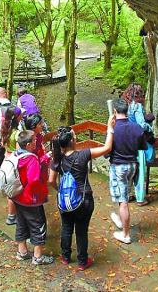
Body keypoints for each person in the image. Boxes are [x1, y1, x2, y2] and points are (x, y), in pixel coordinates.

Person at [49, 115, 115, 271]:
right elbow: (107, 148)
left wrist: (60, 190)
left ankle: (65, 257)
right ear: (72, 141)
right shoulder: (83, 155)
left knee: (66, 227)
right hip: (83, 199)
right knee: (81, 230)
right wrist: (110, 128)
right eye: (74, 135)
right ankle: (82, 261)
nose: (75, 136)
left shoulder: (56, 159)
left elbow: (51, 180)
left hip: (64, 200)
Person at [12, 130, 53, 265]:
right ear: (29, 144)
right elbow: (34, 179)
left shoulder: (16, 155)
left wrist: (44, 158)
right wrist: (40, 193)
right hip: (31, 199)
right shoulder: (31, 158)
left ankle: (22, 252)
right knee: (38, 225)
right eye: (35, 140)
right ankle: (38, 257)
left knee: (21, 223)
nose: (37, 142)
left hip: (18, 196)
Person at [108, 98, 145, 244]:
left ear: (115, 112)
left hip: (118, 166)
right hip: (132, 165)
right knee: (124, 194)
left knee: (123, 201)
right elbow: (142, 146)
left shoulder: (114, 129)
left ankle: (126, 234)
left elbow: (107, 151)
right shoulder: (137, 128)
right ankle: (122, 221)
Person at [121, 83, 155, 206]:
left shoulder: (124, 105)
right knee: (140, 170)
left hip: (125, 143)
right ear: (139, 95)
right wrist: (150, 128)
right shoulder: (137, 106)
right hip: (138, 144)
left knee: (128, 169)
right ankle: (140, 198)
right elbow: (141, 124)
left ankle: (128, 194)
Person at [1, 106, 23, 225]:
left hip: (6, 160)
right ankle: (12, 216)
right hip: (14, 163)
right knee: (15, 191)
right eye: (21, 115)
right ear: (17, 117)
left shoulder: (5, 129)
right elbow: (19, 152)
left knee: (10, 190)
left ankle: (11, 215)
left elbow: (3, 145)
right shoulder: (17, 133)